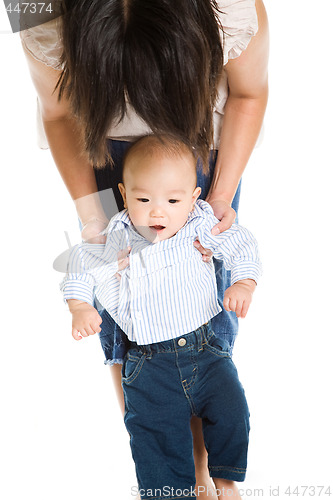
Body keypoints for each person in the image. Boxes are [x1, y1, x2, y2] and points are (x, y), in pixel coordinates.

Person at [20, 0, 269, 494]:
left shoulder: (229, 7)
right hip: (103, 150)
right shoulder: (38, 9)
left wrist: (217, 195)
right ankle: (168, 480)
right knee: (128, 332)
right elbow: (58, 111)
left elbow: (248, 92)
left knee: (205, 325)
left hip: (196, 152)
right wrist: (94, 214)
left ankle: (204, 476)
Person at [61, 135, 262, 500]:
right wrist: (79, 306)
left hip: (206, 350)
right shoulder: (114, 235)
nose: (158, 212)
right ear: (123, 194)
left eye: (172, 200)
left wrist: (243, 283)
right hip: (147, 364)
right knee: (155, 440)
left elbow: (240, 243)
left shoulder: (198, 222)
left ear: (193, 197)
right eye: (143, 200)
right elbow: (80, 264)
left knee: (232, 410)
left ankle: (226, 480)